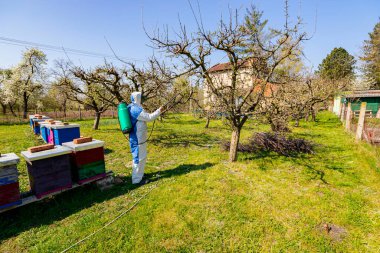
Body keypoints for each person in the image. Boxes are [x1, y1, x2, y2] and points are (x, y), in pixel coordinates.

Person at [128, 91, 162, 184]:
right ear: (137, 98)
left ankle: (139, 175)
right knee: (138, 158)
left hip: (140, 138)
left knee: (141, 157)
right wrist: (159, 111)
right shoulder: (135, 109)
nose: (142, 99)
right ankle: (136, 180)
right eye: (140, 97)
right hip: (137, 138)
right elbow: (149, 117)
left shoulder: (136, 107)